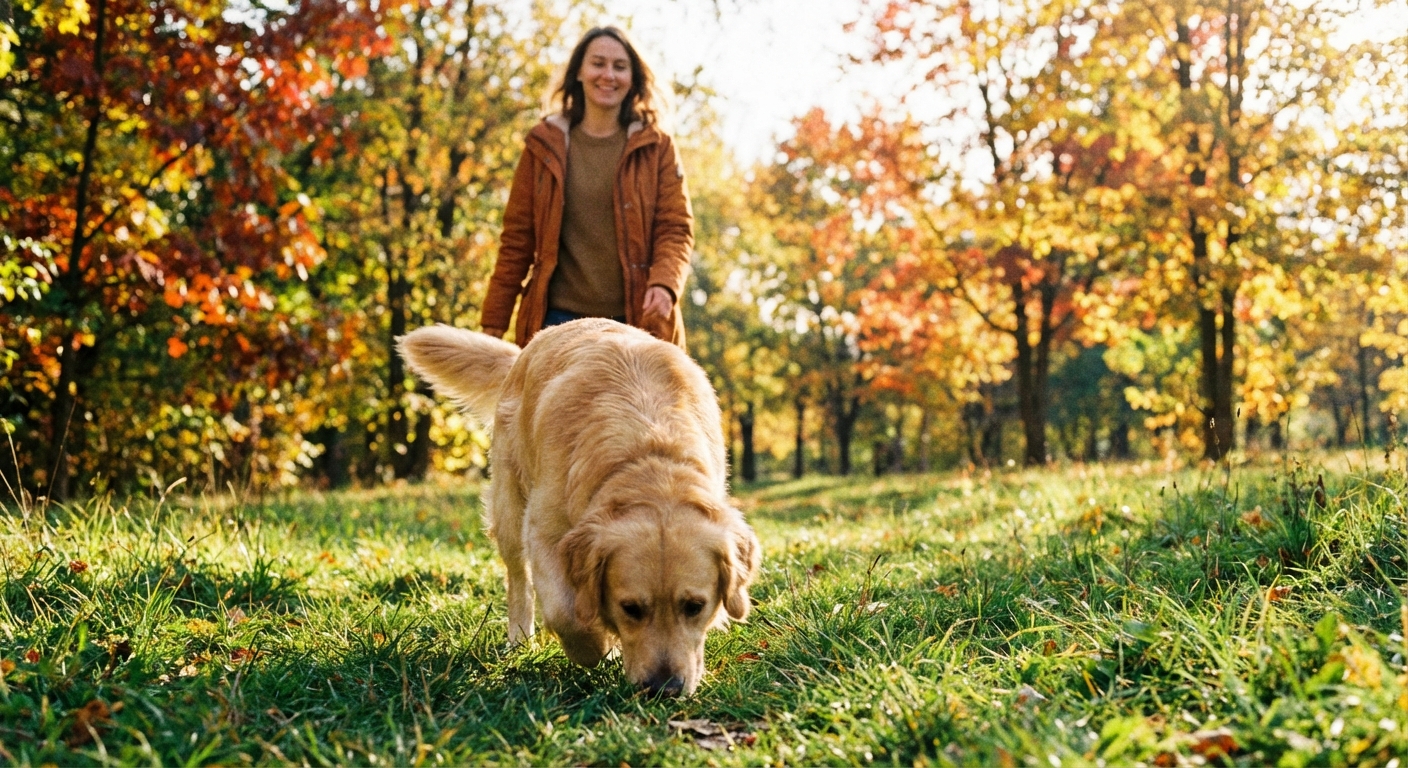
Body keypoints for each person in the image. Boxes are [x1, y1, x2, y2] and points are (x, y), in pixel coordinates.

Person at [480, 26, 694, 350]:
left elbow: (675, 228)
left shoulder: (657, 146)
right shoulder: (543, 145)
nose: (608, 75)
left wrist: (665, 285)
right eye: (598, 63)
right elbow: (516, 241)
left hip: (635, 326)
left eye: (619, 67)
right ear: (579, 71)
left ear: (633, 78)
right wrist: (493, 323)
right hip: (555, 325)